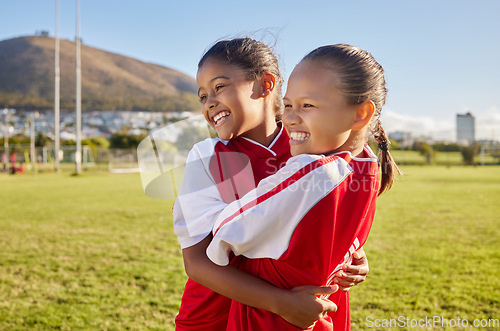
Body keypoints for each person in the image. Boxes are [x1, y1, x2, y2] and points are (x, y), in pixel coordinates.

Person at [173, 38, 370, 330]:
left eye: (219, 87)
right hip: (216, 314)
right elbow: (197, 262)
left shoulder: (311, 146)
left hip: (303, 313)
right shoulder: (206, 157)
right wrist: (282, 303)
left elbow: (328, 223)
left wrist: (354, 256)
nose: (209, 102)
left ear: (265, 85)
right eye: (202, 96)